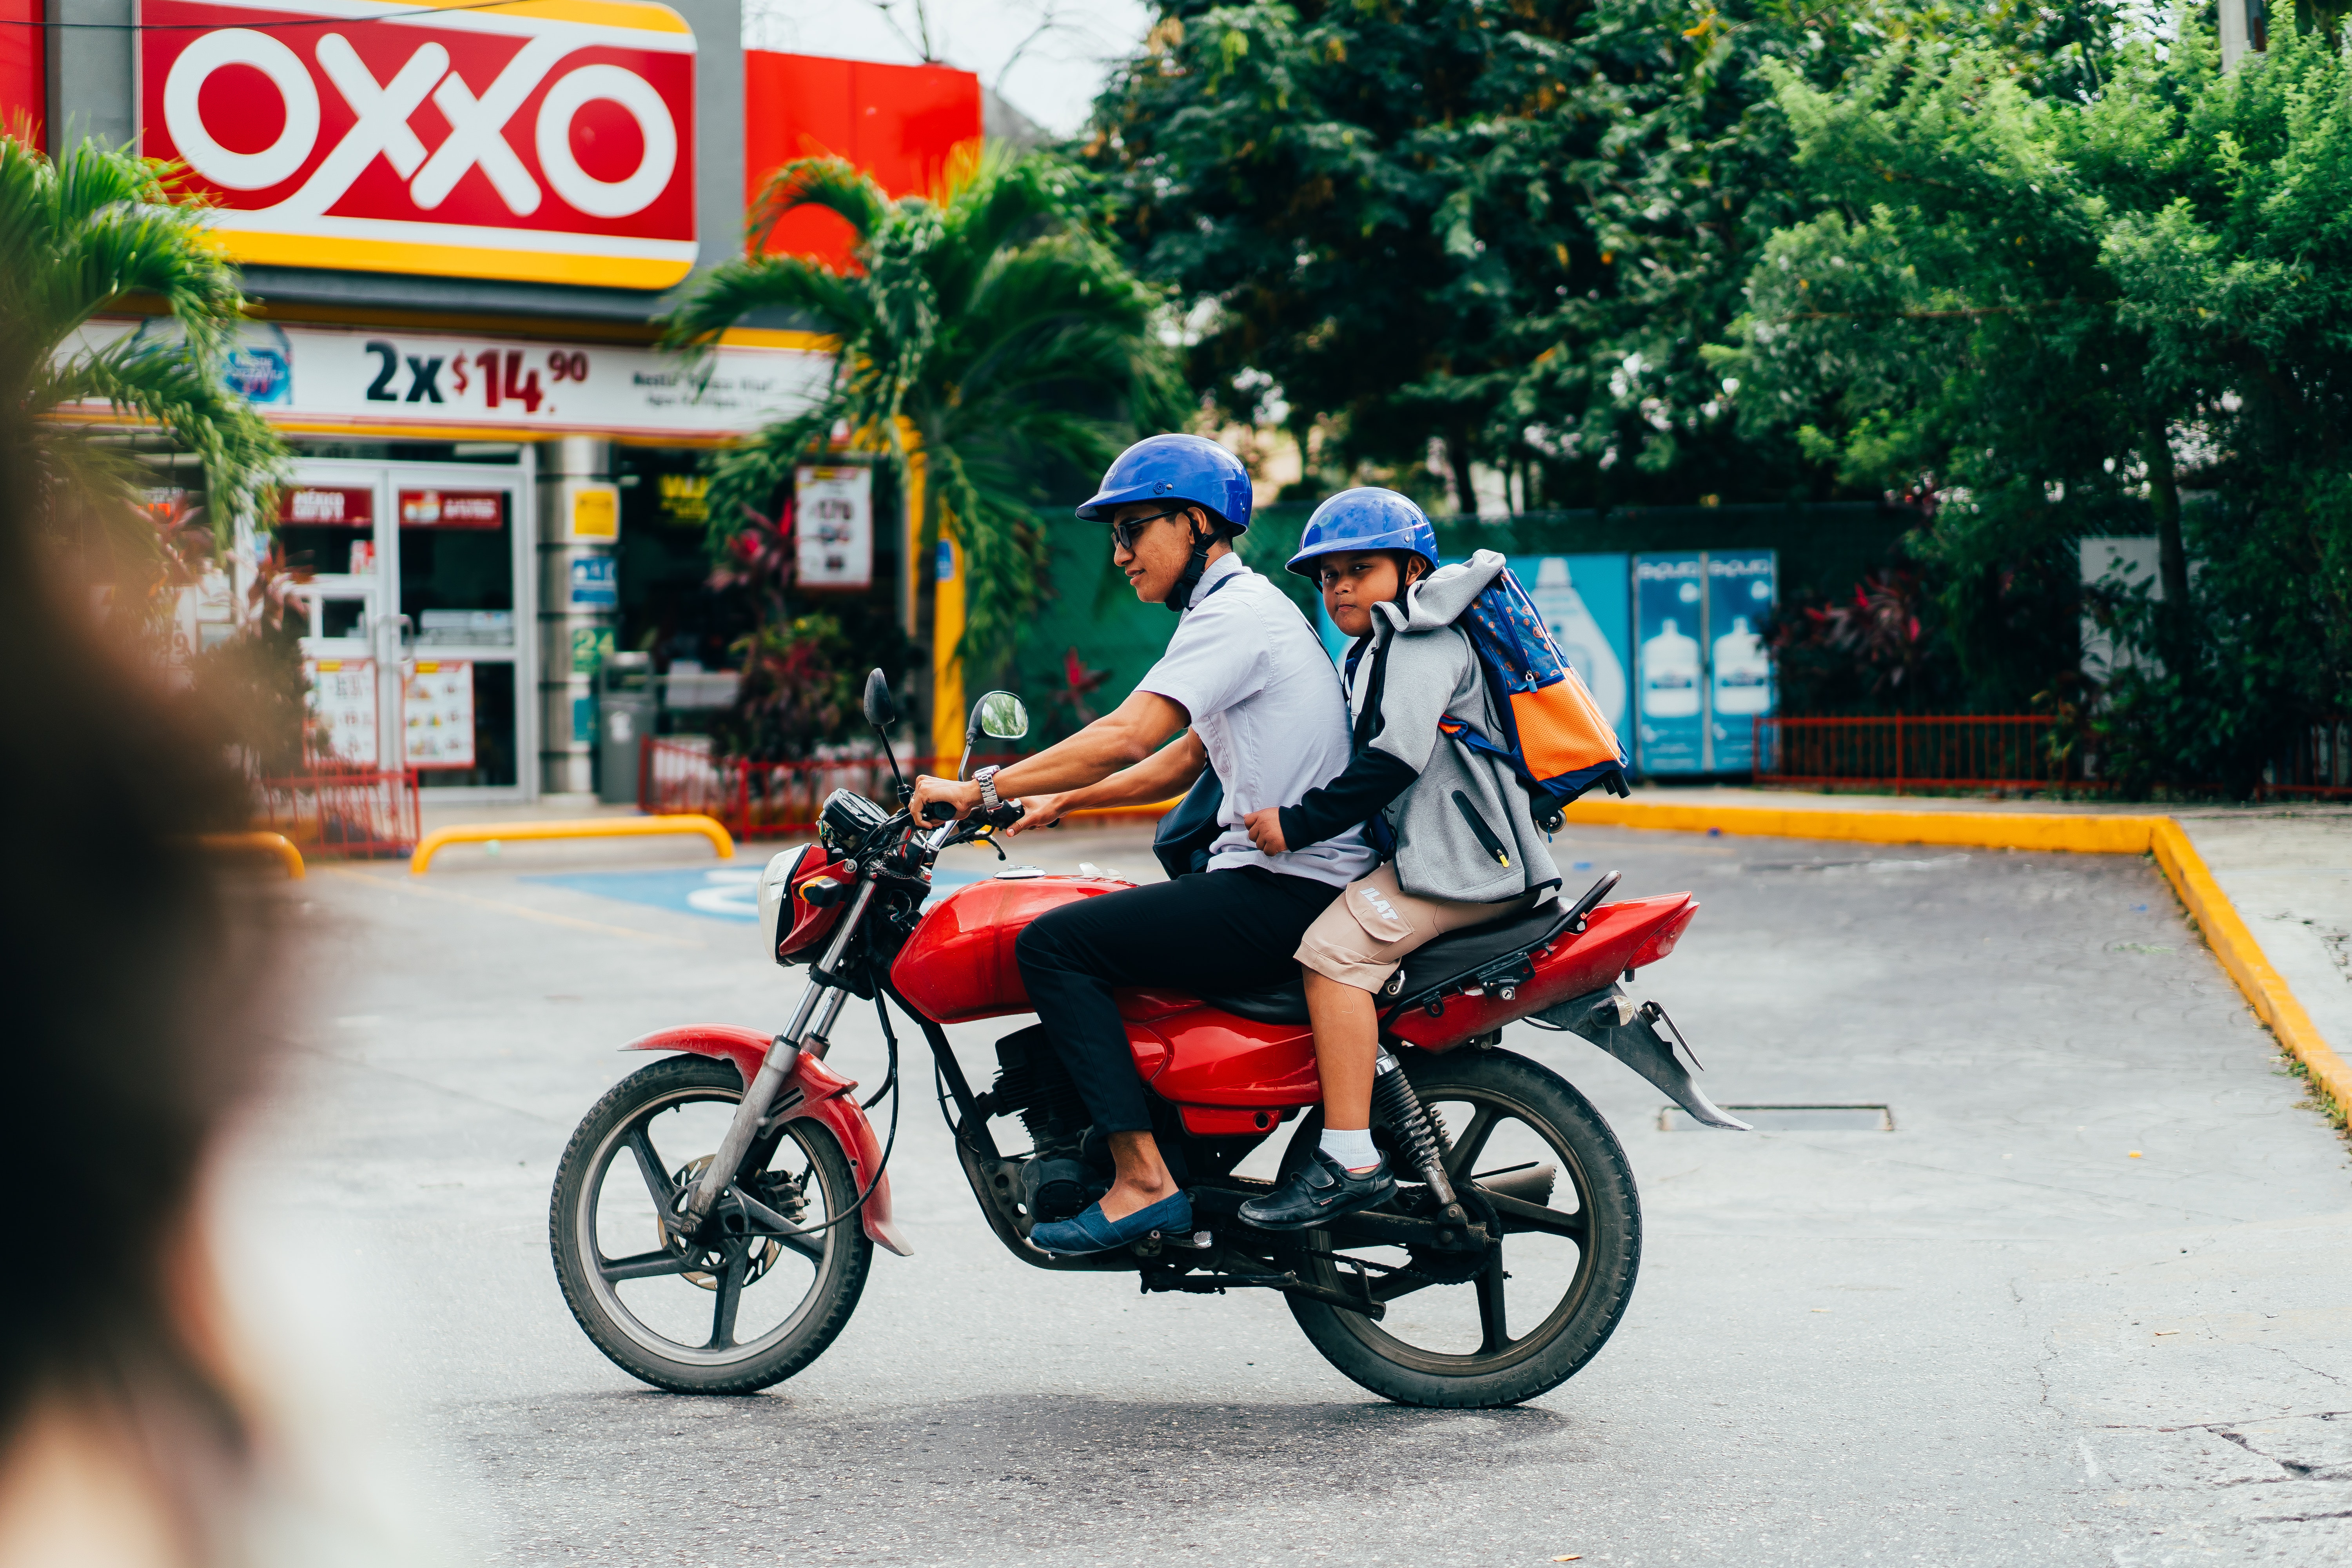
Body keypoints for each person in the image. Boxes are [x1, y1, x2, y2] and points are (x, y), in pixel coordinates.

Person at [909, 434, 1374, 1255]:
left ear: (1196, 523)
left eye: (1133, 530)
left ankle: (1143, 1181)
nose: (1120, 554)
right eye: (1113, 536)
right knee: (1096, 924)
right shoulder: (1240, 608)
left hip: (1287, 887)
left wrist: (983, 787)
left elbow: (1131, 732)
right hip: (1286, 879)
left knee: (1055, 945)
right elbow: (1184, 756)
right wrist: (1063, 797)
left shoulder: (1235, 613)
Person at [1234, 488, 1563, 1230]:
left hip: (1469, 869)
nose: (1340, 585)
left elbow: (1393, 760)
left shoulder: (1423, 638)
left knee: (1331, 957)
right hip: (1446, 858)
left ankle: (1349, 1156)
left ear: (1412, 569)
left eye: (1360, 567)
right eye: (1326, 575)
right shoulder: (1377, 646)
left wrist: (1298, 824)